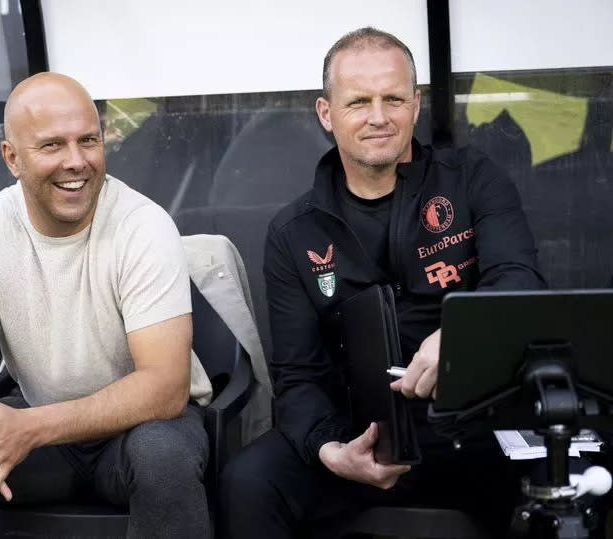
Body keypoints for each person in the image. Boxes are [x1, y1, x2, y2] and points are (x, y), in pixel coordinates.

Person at [220, 27, 547, 537]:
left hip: (474, 426)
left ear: (415, 106)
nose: (378, 116)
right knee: (249, 480)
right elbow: (298, 376)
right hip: (361, 433)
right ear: (326, 114)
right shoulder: (292, 232)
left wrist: (463, 336)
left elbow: (520, 280)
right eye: (358, 102)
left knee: (562, 471)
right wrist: (332, 450)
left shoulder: (472, 179)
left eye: (393, 98)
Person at [0, 72, 213, 539]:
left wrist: (29, 427)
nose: (76, 162)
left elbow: (165, 387)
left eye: (89, 140)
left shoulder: (143, 225)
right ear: (12, 158)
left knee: (162, 456)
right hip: (38, 433)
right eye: (52, 146)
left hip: (136, 433)